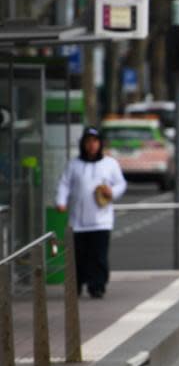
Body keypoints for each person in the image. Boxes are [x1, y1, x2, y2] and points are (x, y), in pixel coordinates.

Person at [55, 127, 127, 299]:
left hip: (101, 220)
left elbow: (121, 184)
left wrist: (112, 192)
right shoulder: (74, 164)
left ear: (100, 143)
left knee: (98, 256)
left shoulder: (110, 164)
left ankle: (97, 285)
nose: (92, 145)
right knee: (78, 256)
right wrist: (61, 201)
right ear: (83, 144)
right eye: (88, 142)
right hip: (78, 221)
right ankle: (76, 284)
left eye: (95, 141)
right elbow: (64, 184)